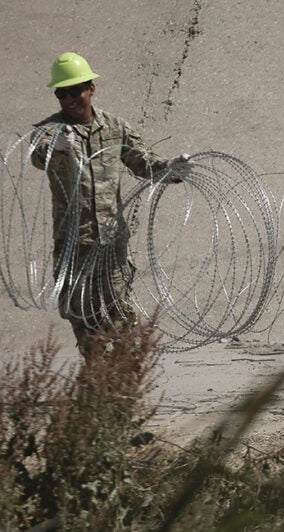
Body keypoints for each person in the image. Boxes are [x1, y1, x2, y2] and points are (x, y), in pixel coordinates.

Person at [29, 52, 190, 360]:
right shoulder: (50, 131)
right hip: (74, 243)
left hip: (111, 240)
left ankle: (125, 375)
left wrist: (170, 170)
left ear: (91, 89)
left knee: (120, 309)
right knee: (81, 315)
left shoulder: (116, 128)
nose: (68, 99)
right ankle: (96, 378)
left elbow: (141, 162)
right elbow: (38, 156)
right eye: (61, 93)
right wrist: (56, 150)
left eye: (75, 90)